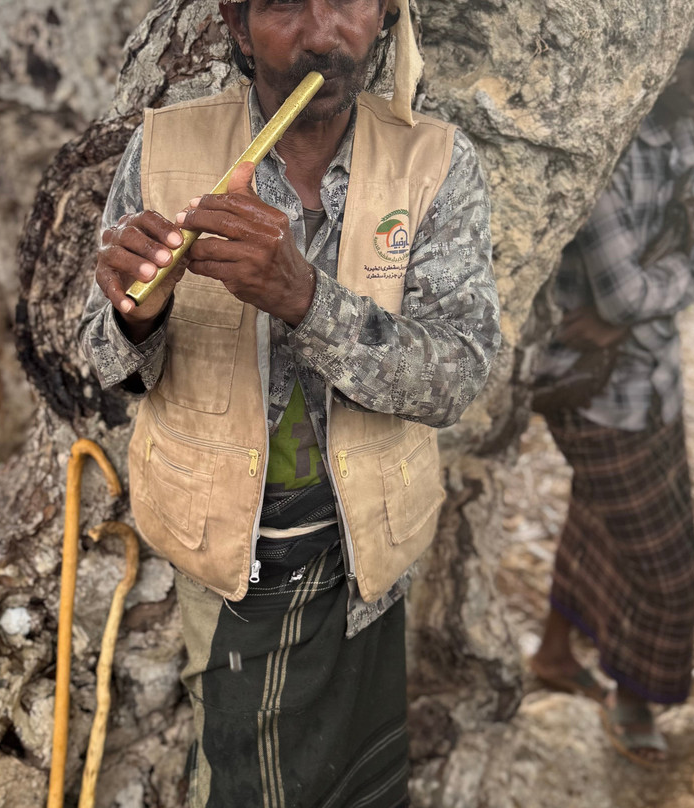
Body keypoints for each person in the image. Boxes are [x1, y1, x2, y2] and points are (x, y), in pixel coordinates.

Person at [79, 1, 500, 804]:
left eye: (346, 2)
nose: (321, 33)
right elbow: (104, 365)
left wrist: (308, 300)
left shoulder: (437, 162)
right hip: (231, 559)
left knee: (358, 778)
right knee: (249, 777)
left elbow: (459, 374)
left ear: (381, 18)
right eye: (283, 6)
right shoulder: (165, 149)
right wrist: (137, 312)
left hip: (366, 550)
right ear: (238, 29)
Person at [530, 15, 694, 768]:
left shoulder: (681, 136)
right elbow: (619, 293)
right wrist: (642, 301)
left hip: (653, 378)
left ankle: (552, 654)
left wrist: (641, 302)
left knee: (597, 521)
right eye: (693, 60)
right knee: (667, 568)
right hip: (600, 392)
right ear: (656, 66)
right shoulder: (614, 155)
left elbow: (692, 258)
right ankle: (635, 701)